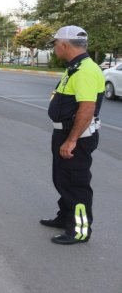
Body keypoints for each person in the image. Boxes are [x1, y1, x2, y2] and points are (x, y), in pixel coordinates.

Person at [41, 25, 104, 245]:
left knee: (75, 184)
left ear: (64, 45)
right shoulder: (76, 67)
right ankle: (64, 218)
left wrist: (71, 141)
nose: (55, 49)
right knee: (63, 179)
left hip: (76, 136)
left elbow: (87, 109)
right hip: (65, 133)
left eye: (56, 44)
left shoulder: (86, 70)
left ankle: (79, 230)